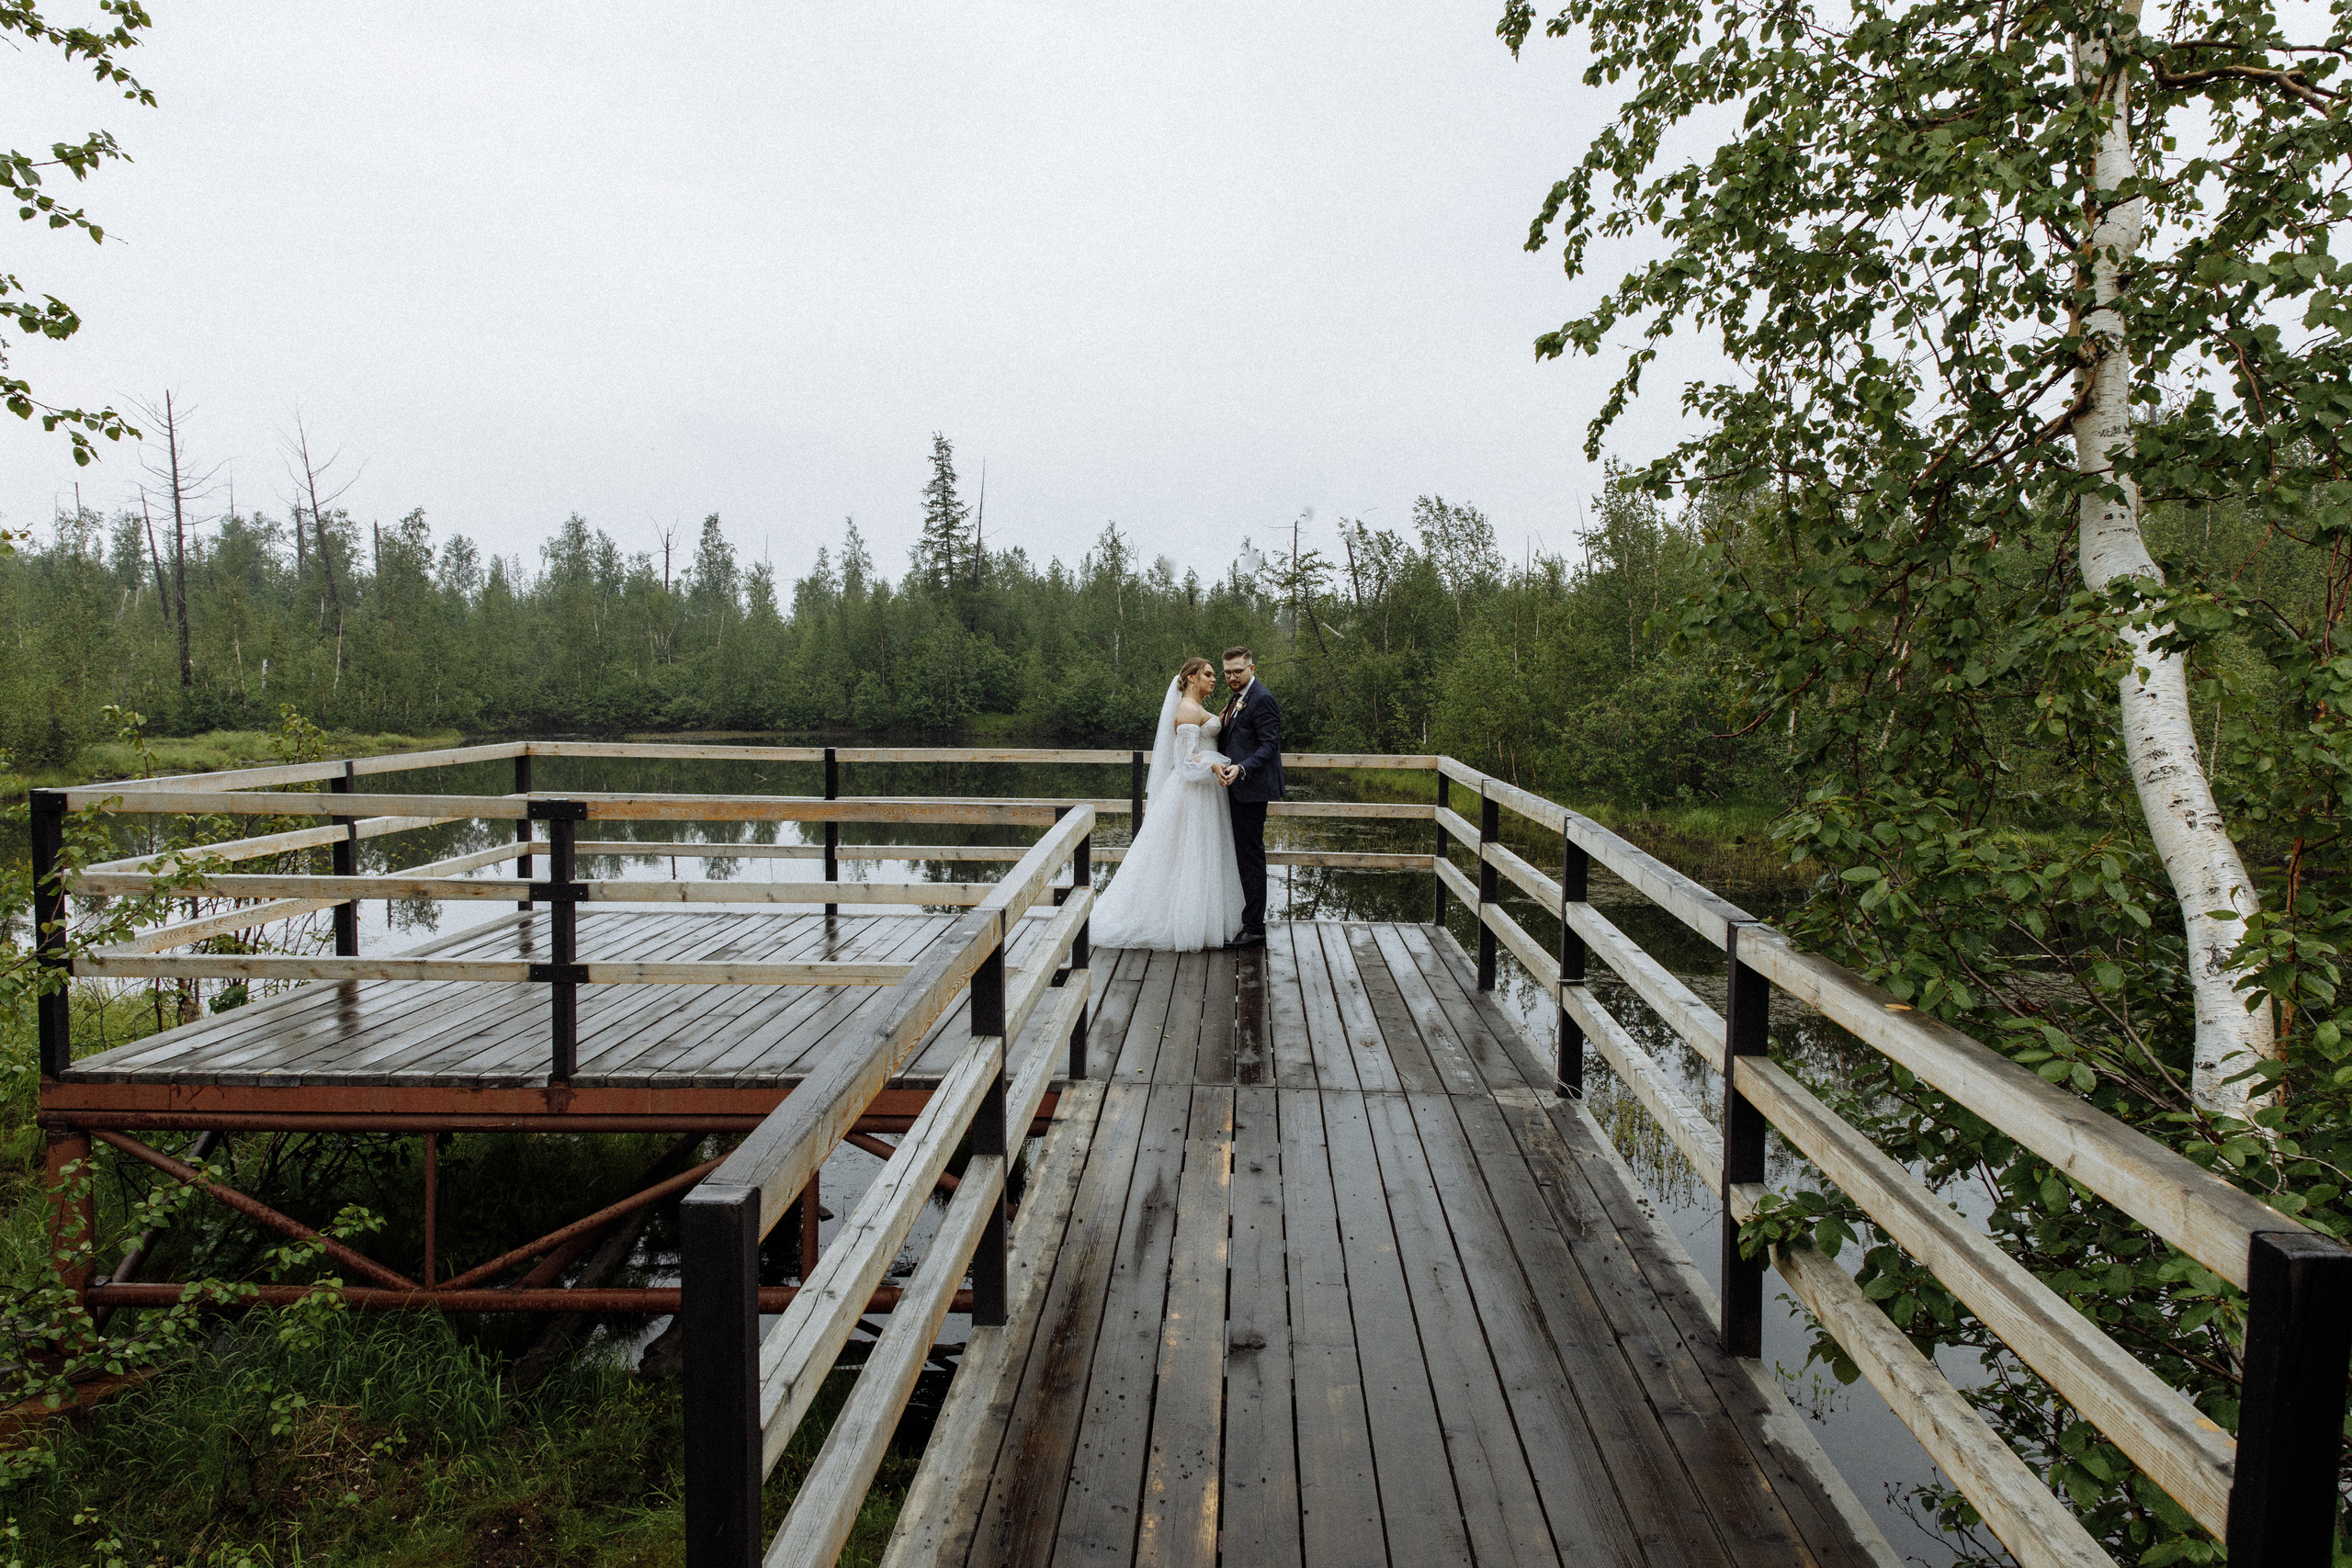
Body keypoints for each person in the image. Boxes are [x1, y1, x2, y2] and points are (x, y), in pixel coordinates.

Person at [1086, 657, 1249, 952]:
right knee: (1188, 855)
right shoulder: (1186, 710)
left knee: (1197, 855)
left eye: (1214, 674)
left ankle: (1199, 918)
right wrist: (1212, 767)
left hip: (1204, 793)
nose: (1214, 679)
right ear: (1190, 678)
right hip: (1192, 792)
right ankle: (1184, 922)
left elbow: (1203, 740)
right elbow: (1185, 760)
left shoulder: (1196, 708)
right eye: (1208, 674)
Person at [1212, 645, 1283, 948]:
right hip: (1236, 787)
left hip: (1251, 790)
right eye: (1227, 673)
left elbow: (1269, 747)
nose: (1231, 677)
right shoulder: (1237, 697)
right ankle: (1247, 921)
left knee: (1251, 857)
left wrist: (1241, 768)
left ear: (1252, 669)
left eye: (1238, 671)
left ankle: (1254, 927)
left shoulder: (1262, 698)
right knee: (1242, 855)